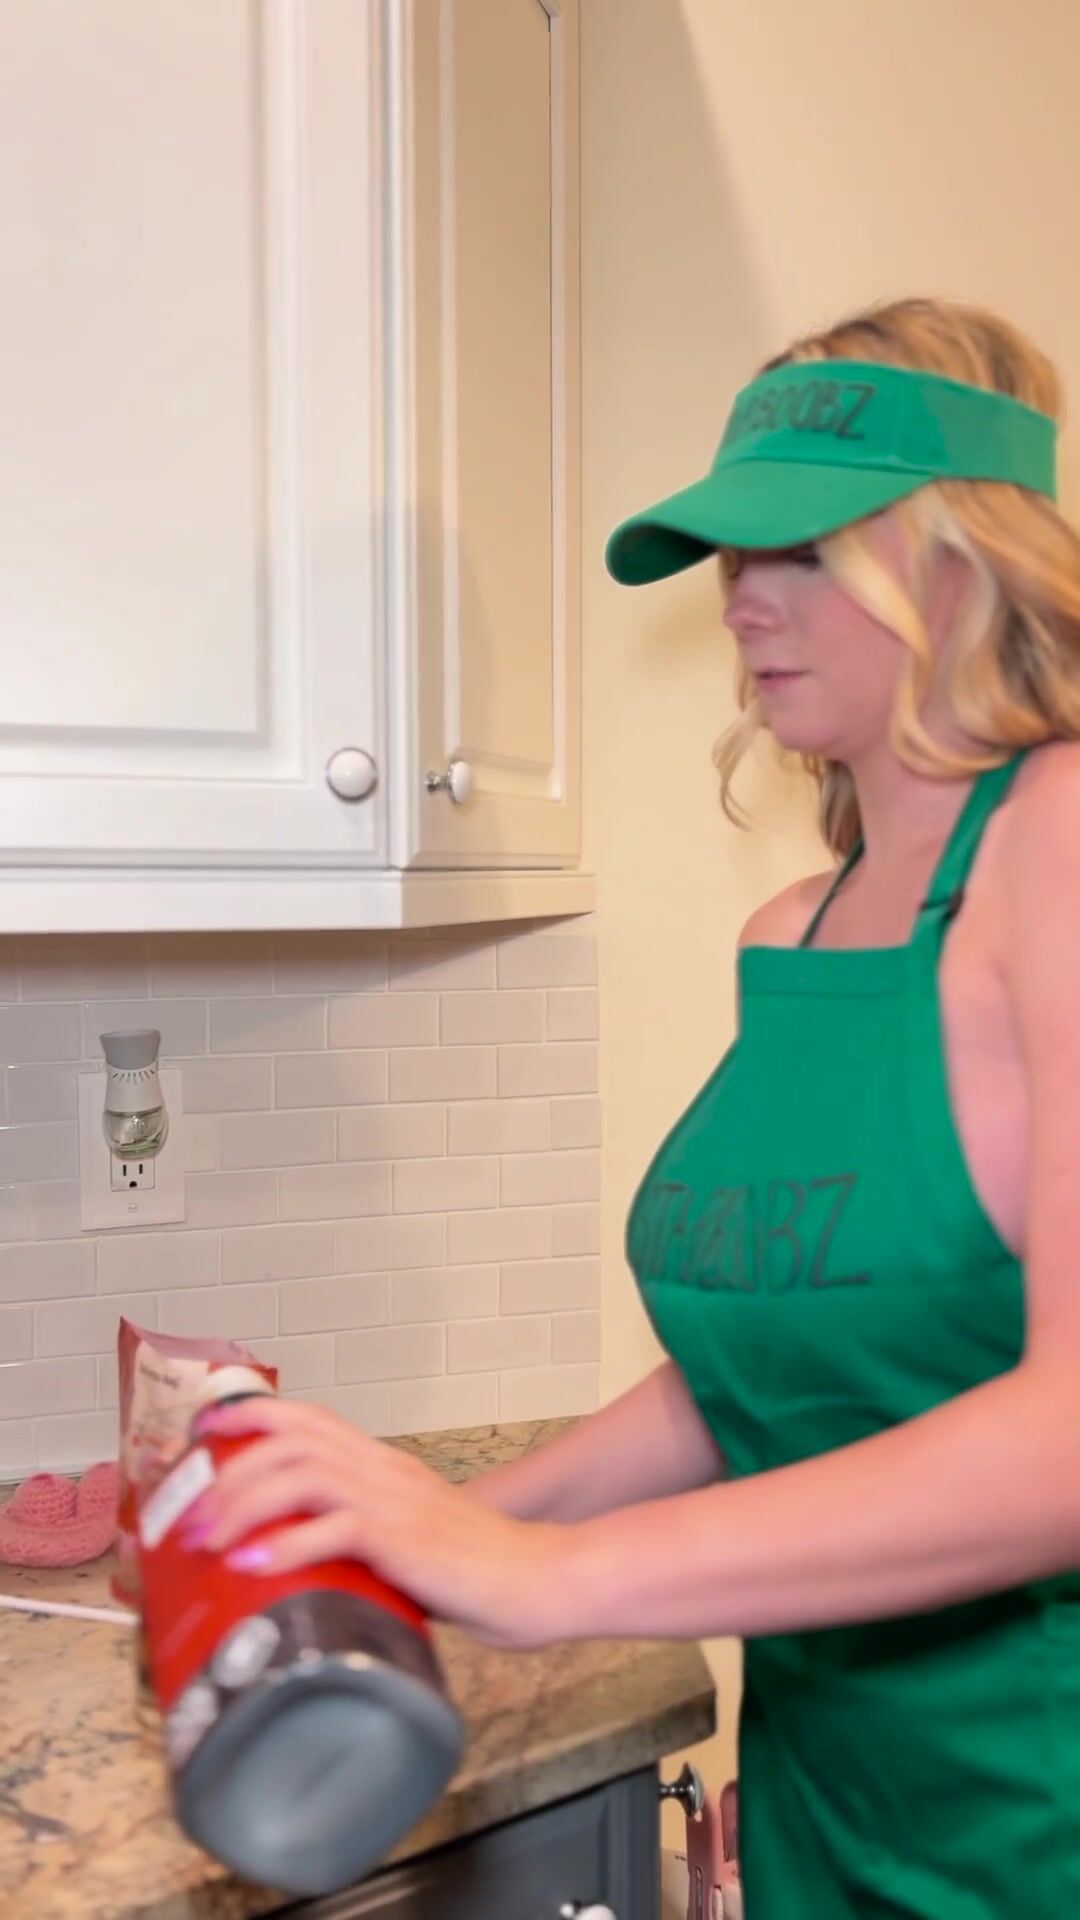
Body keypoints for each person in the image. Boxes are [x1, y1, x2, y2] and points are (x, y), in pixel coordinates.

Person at [183, 297, 1080, 1918]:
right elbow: (766, 1365)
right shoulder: (795, 933)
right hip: (834, 1792)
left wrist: (548, 1574)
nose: (744, 600)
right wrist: (430, 1529)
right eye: (734, 556)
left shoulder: (1062, 846)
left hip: (1036, 1814)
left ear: (967, 550)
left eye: (802, 547)